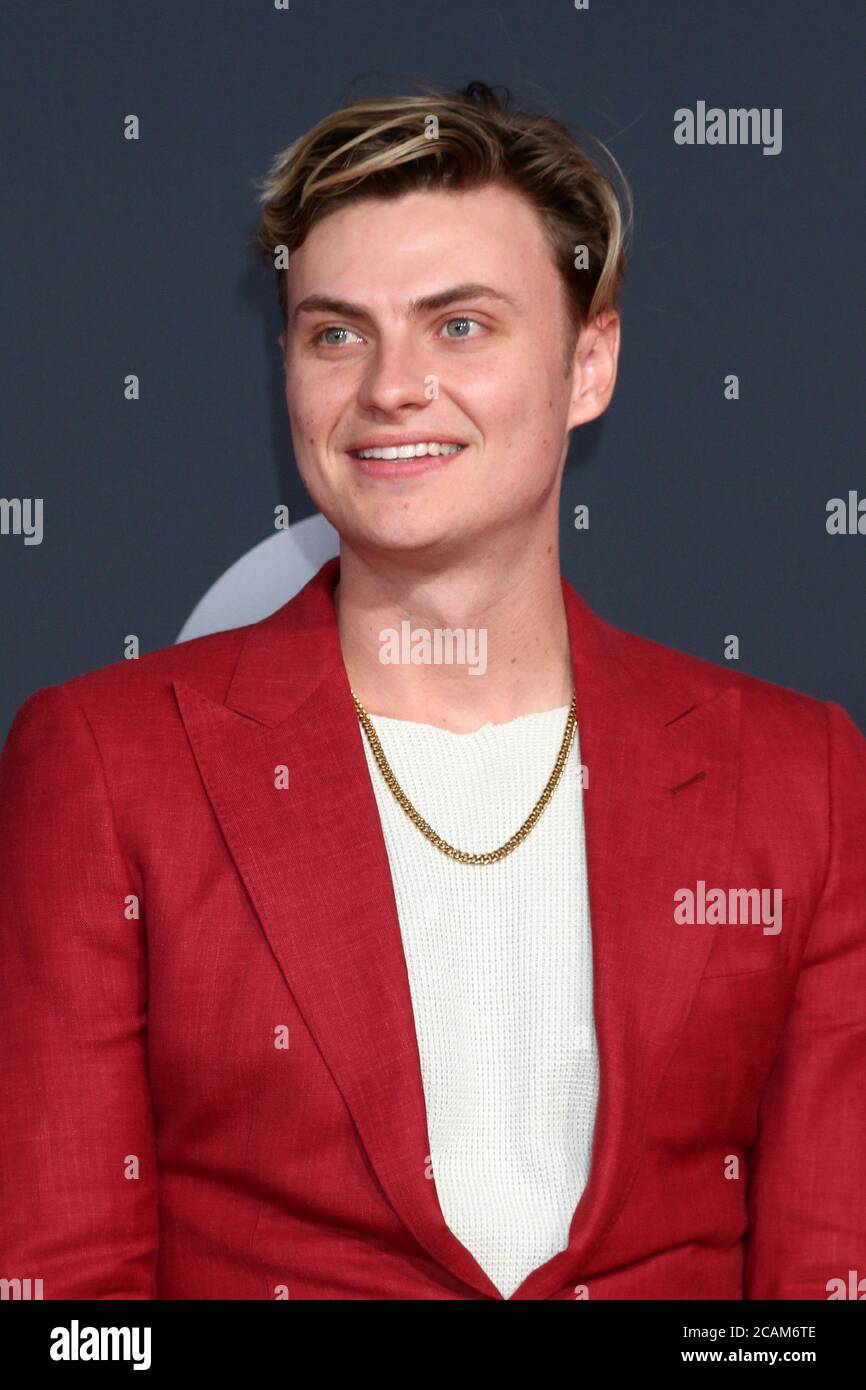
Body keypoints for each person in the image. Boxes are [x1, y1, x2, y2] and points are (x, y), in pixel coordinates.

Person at [1, 80, 864, 1302]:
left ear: (588, 364)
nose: (390, 387)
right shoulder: (105, 762)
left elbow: (820, 1289)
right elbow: (65, 1305)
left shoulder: (797, 779)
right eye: (335, 334)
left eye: (459, 325)